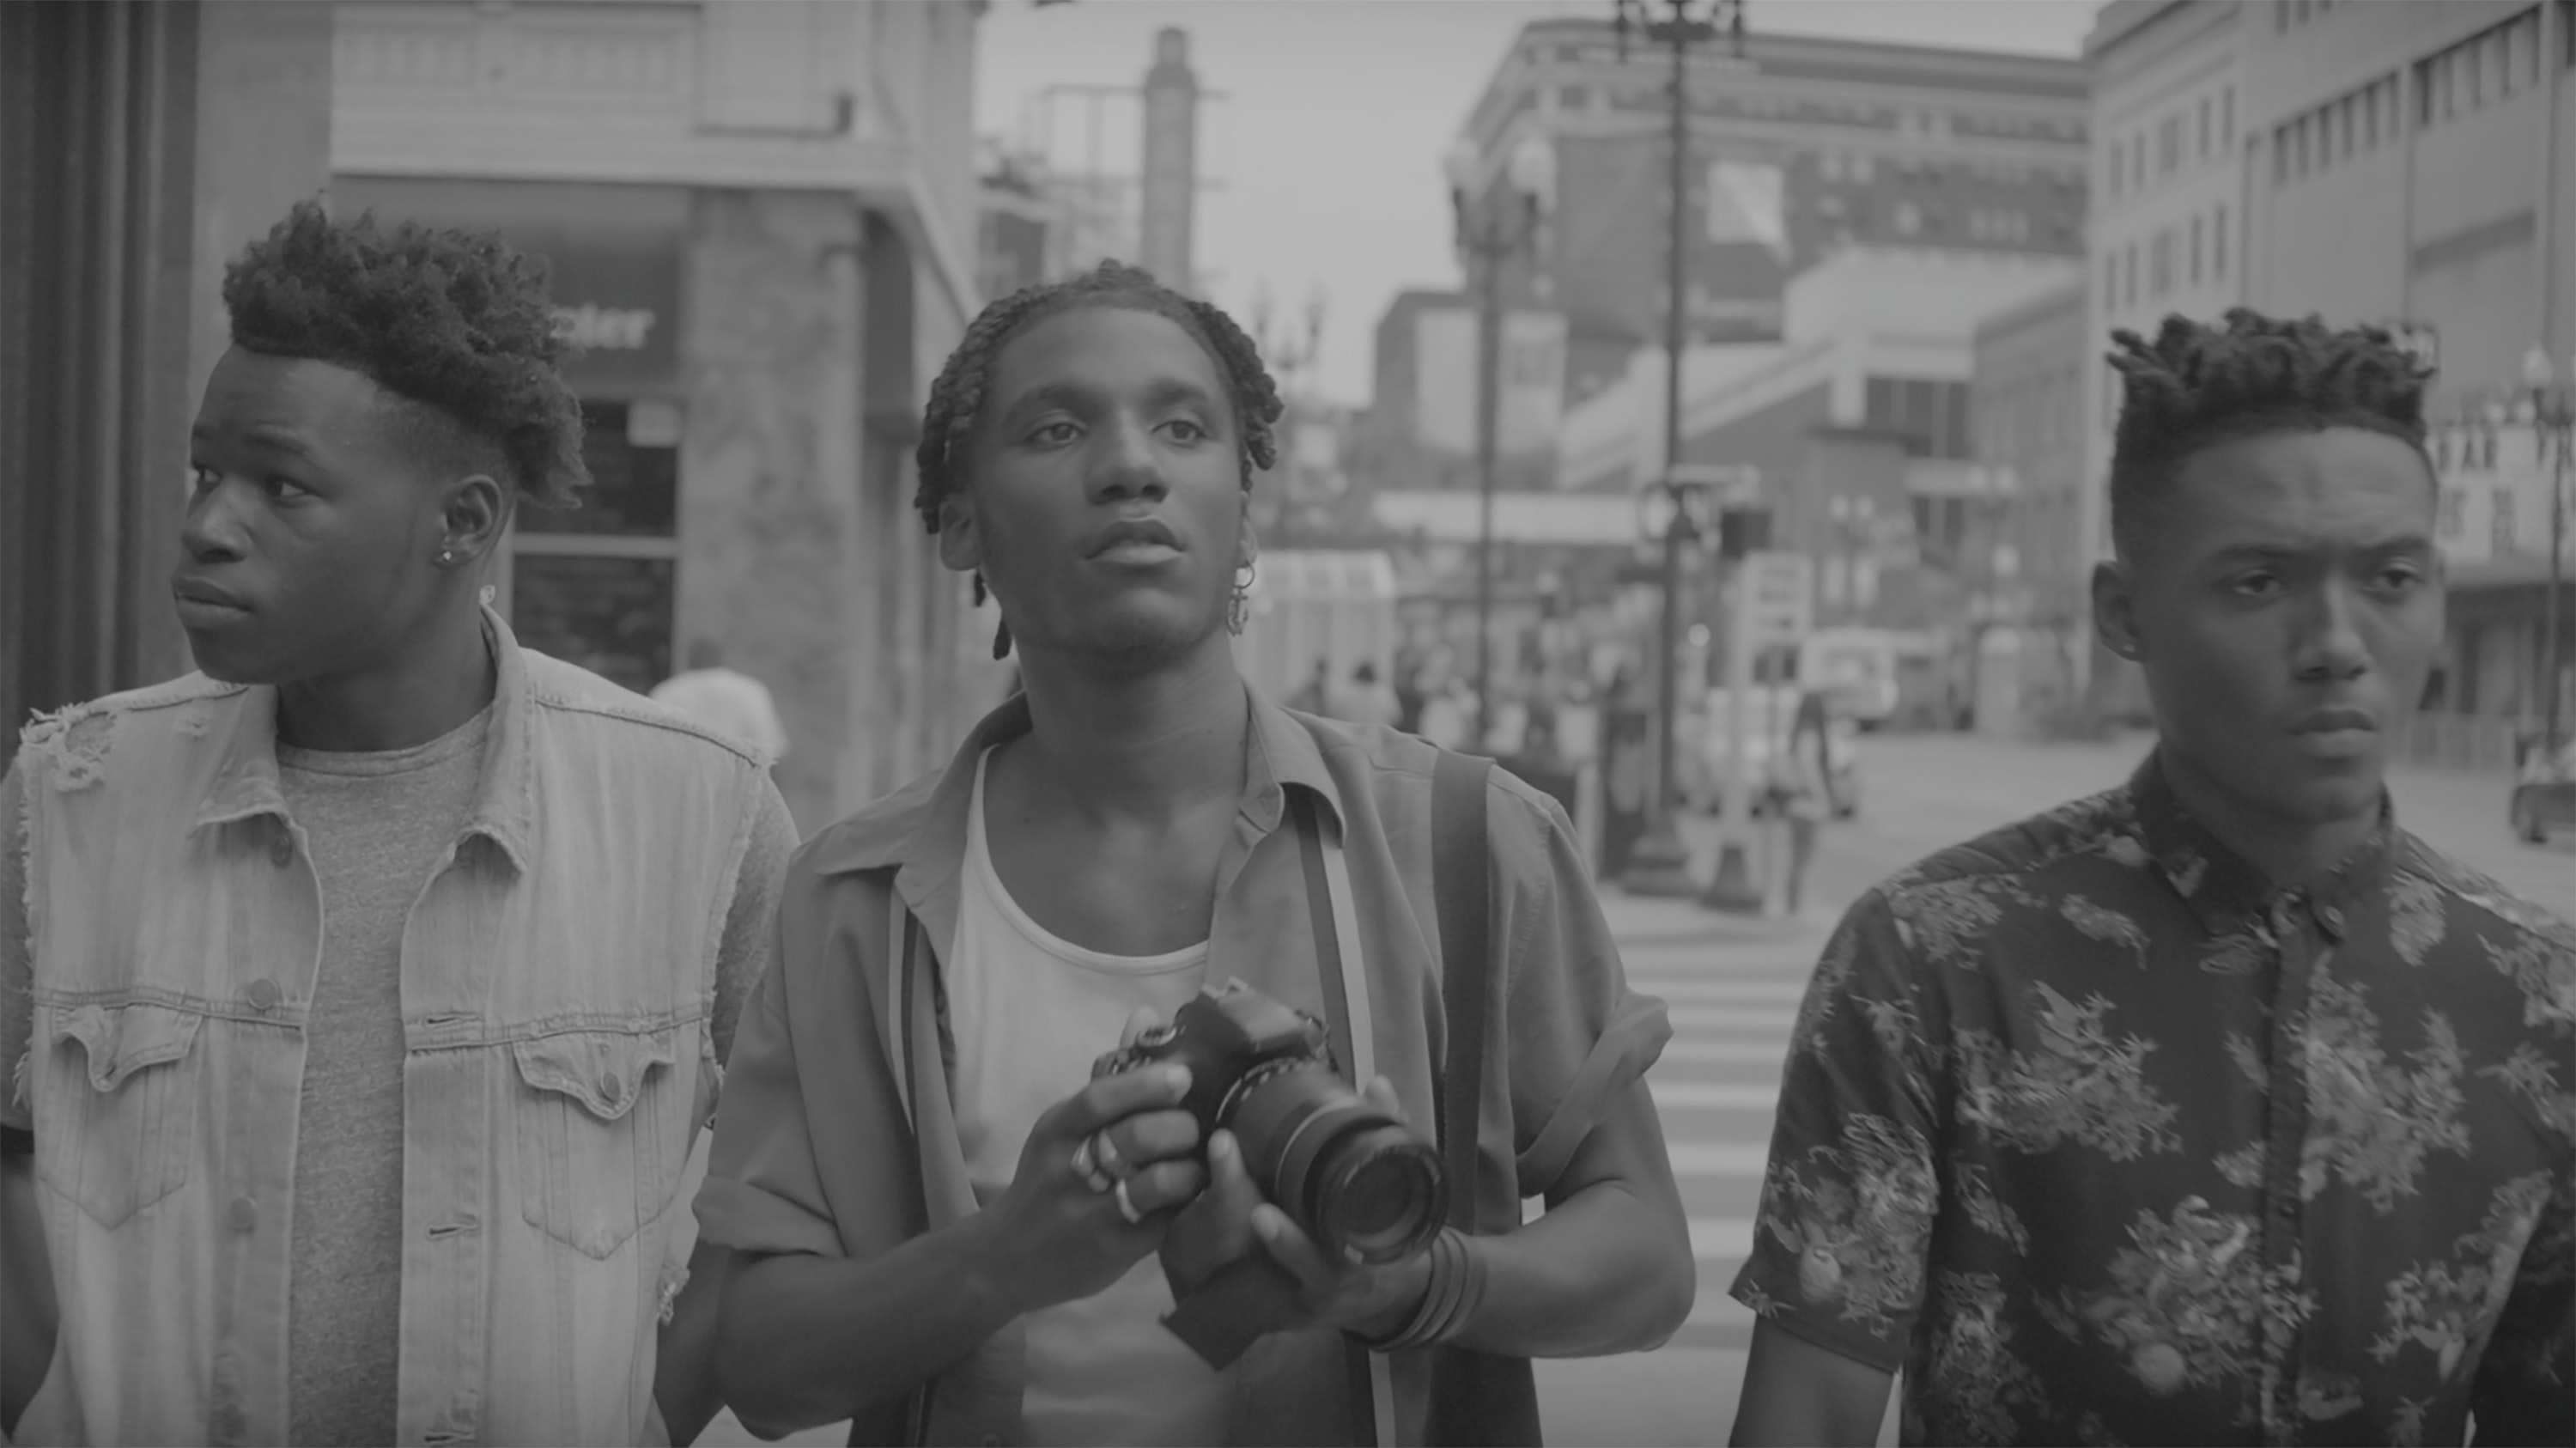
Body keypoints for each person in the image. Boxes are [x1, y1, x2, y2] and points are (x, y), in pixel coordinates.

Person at [693, 259, 1692, 1445]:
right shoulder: (854, 901)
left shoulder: (1468, 839)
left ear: (1243, 508)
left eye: (1183, 425)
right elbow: (758, 1360)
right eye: (1057, 427)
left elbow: (1645, 1252)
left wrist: (1413, 1285)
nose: (1131, 463)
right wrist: (1005, 1256)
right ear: (961, 521)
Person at [0, 202, 798, 1447]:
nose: (209, 521)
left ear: (463, 522)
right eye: (207, 471)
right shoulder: (71, 792)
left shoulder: (698, 809)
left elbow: (788, 1204)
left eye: (283, 485)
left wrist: (651, 1413)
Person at [1727, 311, 2574, 1445]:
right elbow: (1805, 1422)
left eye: (2390, 577)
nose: (2338, 639)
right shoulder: (1933, 958)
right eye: (2261, 581)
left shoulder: (2538, 999)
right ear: (2125, 614)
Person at [651, 639, 791, 764]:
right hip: (737, 782)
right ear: (719, 657)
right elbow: (770, 750)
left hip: (682, 780)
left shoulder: (666, 692)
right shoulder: (750, 690)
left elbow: (653, 747)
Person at [1765, 689, 1836, 920]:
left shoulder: (1798, 731)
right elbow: (1809, 766)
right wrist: (1823, 798)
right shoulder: (1810, 732)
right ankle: (1794, 907)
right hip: (1806, 805)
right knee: (1801, 858)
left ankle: (1793, 904)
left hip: (1797, 803)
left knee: (1798, 857)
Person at [1326, 660, 1401, 730]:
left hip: (1350, 736)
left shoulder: (1347, 692)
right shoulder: (1384, 693)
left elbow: (1334, 714)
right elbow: (1396, 717)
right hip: (1377, 738)